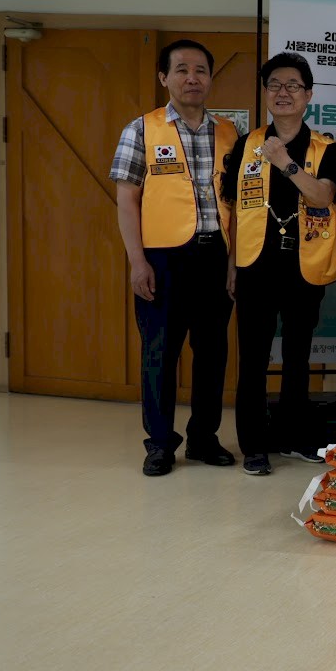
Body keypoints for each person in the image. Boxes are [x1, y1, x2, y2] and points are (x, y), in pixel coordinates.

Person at [109, 39, 238, 476]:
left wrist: (234, 262)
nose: (192, 78)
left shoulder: (229, 133)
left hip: (215, 256)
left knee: (212, 354)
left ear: (210, 78)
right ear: (164, 77)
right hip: (162, 260)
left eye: (200, 70)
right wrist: (137, 262)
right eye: (182, 69)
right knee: (159, 355)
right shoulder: (141, 130)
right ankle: (160, 443)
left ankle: (204, 438)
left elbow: (239, 204)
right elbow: (127, 200)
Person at [222, 52, 336, 476]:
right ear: (266, 92)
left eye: (293, 85)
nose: (283, 92)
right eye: (275, 84)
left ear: (308, 94)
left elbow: (324, 195)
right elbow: (235, 209)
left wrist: (285, 163)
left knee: (297, 356)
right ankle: (254, 446)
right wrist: (233, 265)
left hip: (304, 264)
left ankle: (293, 436)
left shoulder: (325, 147)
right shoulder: (246, 144)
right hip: (255, 263)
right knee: (253, 359)